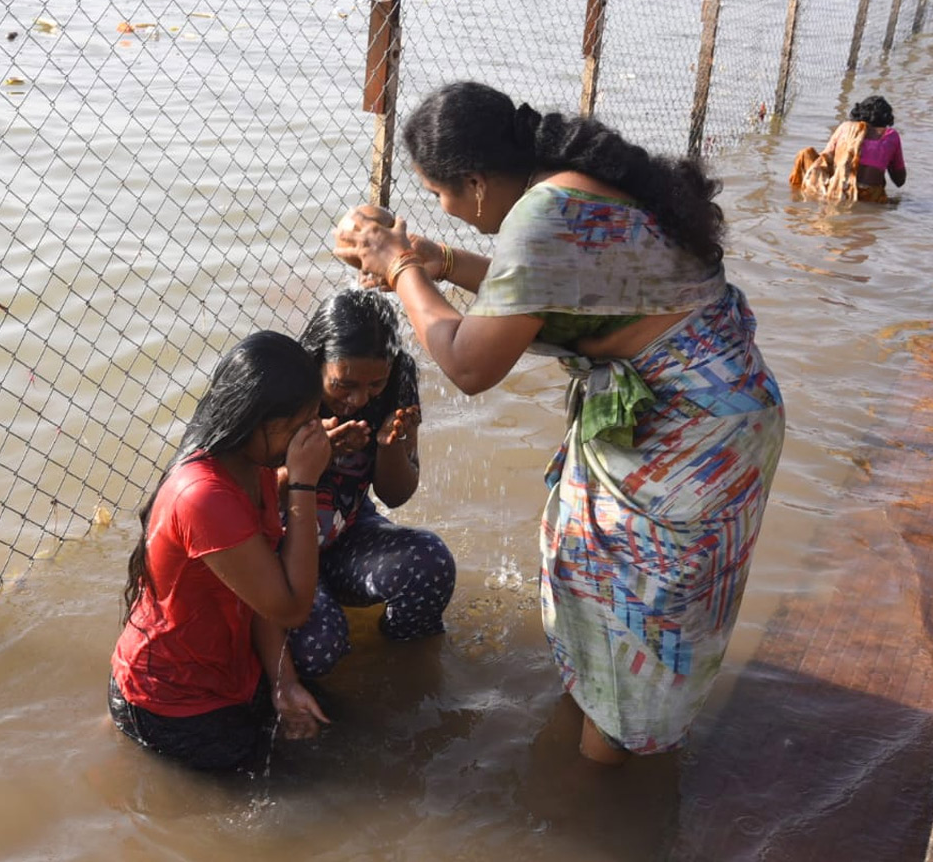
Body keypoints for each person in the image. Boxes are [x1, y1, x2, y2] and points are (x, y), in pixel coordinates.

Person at [332, 81, 785, 765]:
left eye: (441, 194)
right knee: (609, 591)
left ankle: (600, 795)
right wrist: (439, 264)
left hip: (692, 439)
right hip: (714, 414)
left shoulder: (544, 216)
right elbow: (553, 291)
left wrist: (399, 269)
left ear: (477, 182)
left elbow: (468, 363)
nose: (445, 209)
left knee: (641, 623)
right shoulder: (577, 186)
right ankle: (596, 727)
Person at [109, 331, 332, 771]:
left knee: (331, 743)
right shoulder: (203, 495)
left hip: (230, 675)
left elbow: (263, 594)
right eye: (297, 426)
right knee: (300, 798)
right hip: (170, 700)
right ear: (253, 421)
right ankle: (126, 725)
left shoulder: (253, 466)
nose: (309, 435)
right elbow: (290, 608)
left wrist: (283, 683)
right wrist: (305, 483)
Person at [283, 288, 456, 679]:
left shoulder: (398, 382)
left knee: (429, 561)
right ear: (317, 362)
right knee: (320, 644)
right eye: (343, 385)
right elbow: (233, 491)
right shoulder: (285, 388)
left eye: (374, 385)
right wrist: (308, 461)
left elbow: (395, 495)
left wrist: (390, 446)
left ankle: (404, 675)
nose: (359, 399)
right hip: (280, 547)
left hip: (347, 534)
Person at [789, 94, 906, 203]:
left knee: (806, 154)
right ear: (887, 119)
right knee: (896, 202)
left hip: (840, 190)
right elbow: (899, 181)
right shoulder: (891, 136)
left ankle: (796, 196)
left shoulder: (845, 128)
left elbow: (824, 159)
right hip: (872, 196)